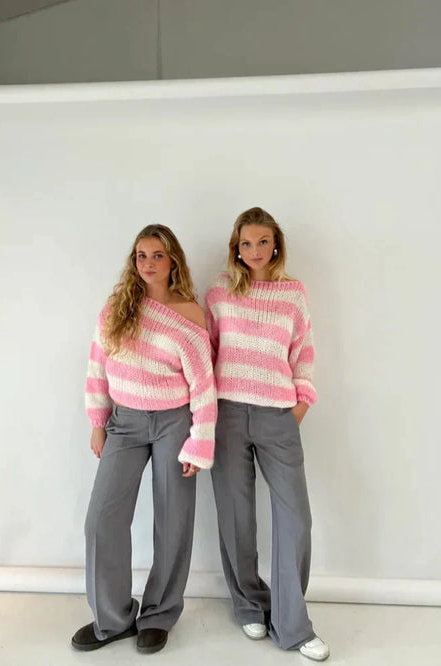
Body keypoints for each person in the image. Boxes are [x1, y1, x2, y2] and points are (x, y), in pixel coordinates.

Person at [72, 224, 216, 655]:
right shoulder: (117, 307)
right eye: (141, 255)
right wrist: (98, 421)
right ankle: (113, 619)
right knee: (102, 520)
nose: (148, 263)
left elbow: (203, 384)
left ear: (173, 261)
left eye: (157, 255)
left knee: (173, 521)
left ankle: (158, 614)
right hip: (126, 422)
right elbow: (97, 366)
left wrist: (200, 441)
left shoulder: (189, 313)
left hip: (175, 422)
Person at [205, 207, 329, 661]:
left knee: (296, 519)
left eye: (262, 242)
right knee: (236, 517)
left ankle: (292, 624)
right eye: (246, 243)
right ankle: (249, 604)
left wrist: (298, 407)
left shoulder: (293, 294)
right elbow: (207, 354)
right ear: (236, 248)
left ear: (276, 245)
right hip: (227, 414)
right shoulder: (219, 292)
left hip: (279, 415)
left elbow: (303, 353)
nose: (254, 250)